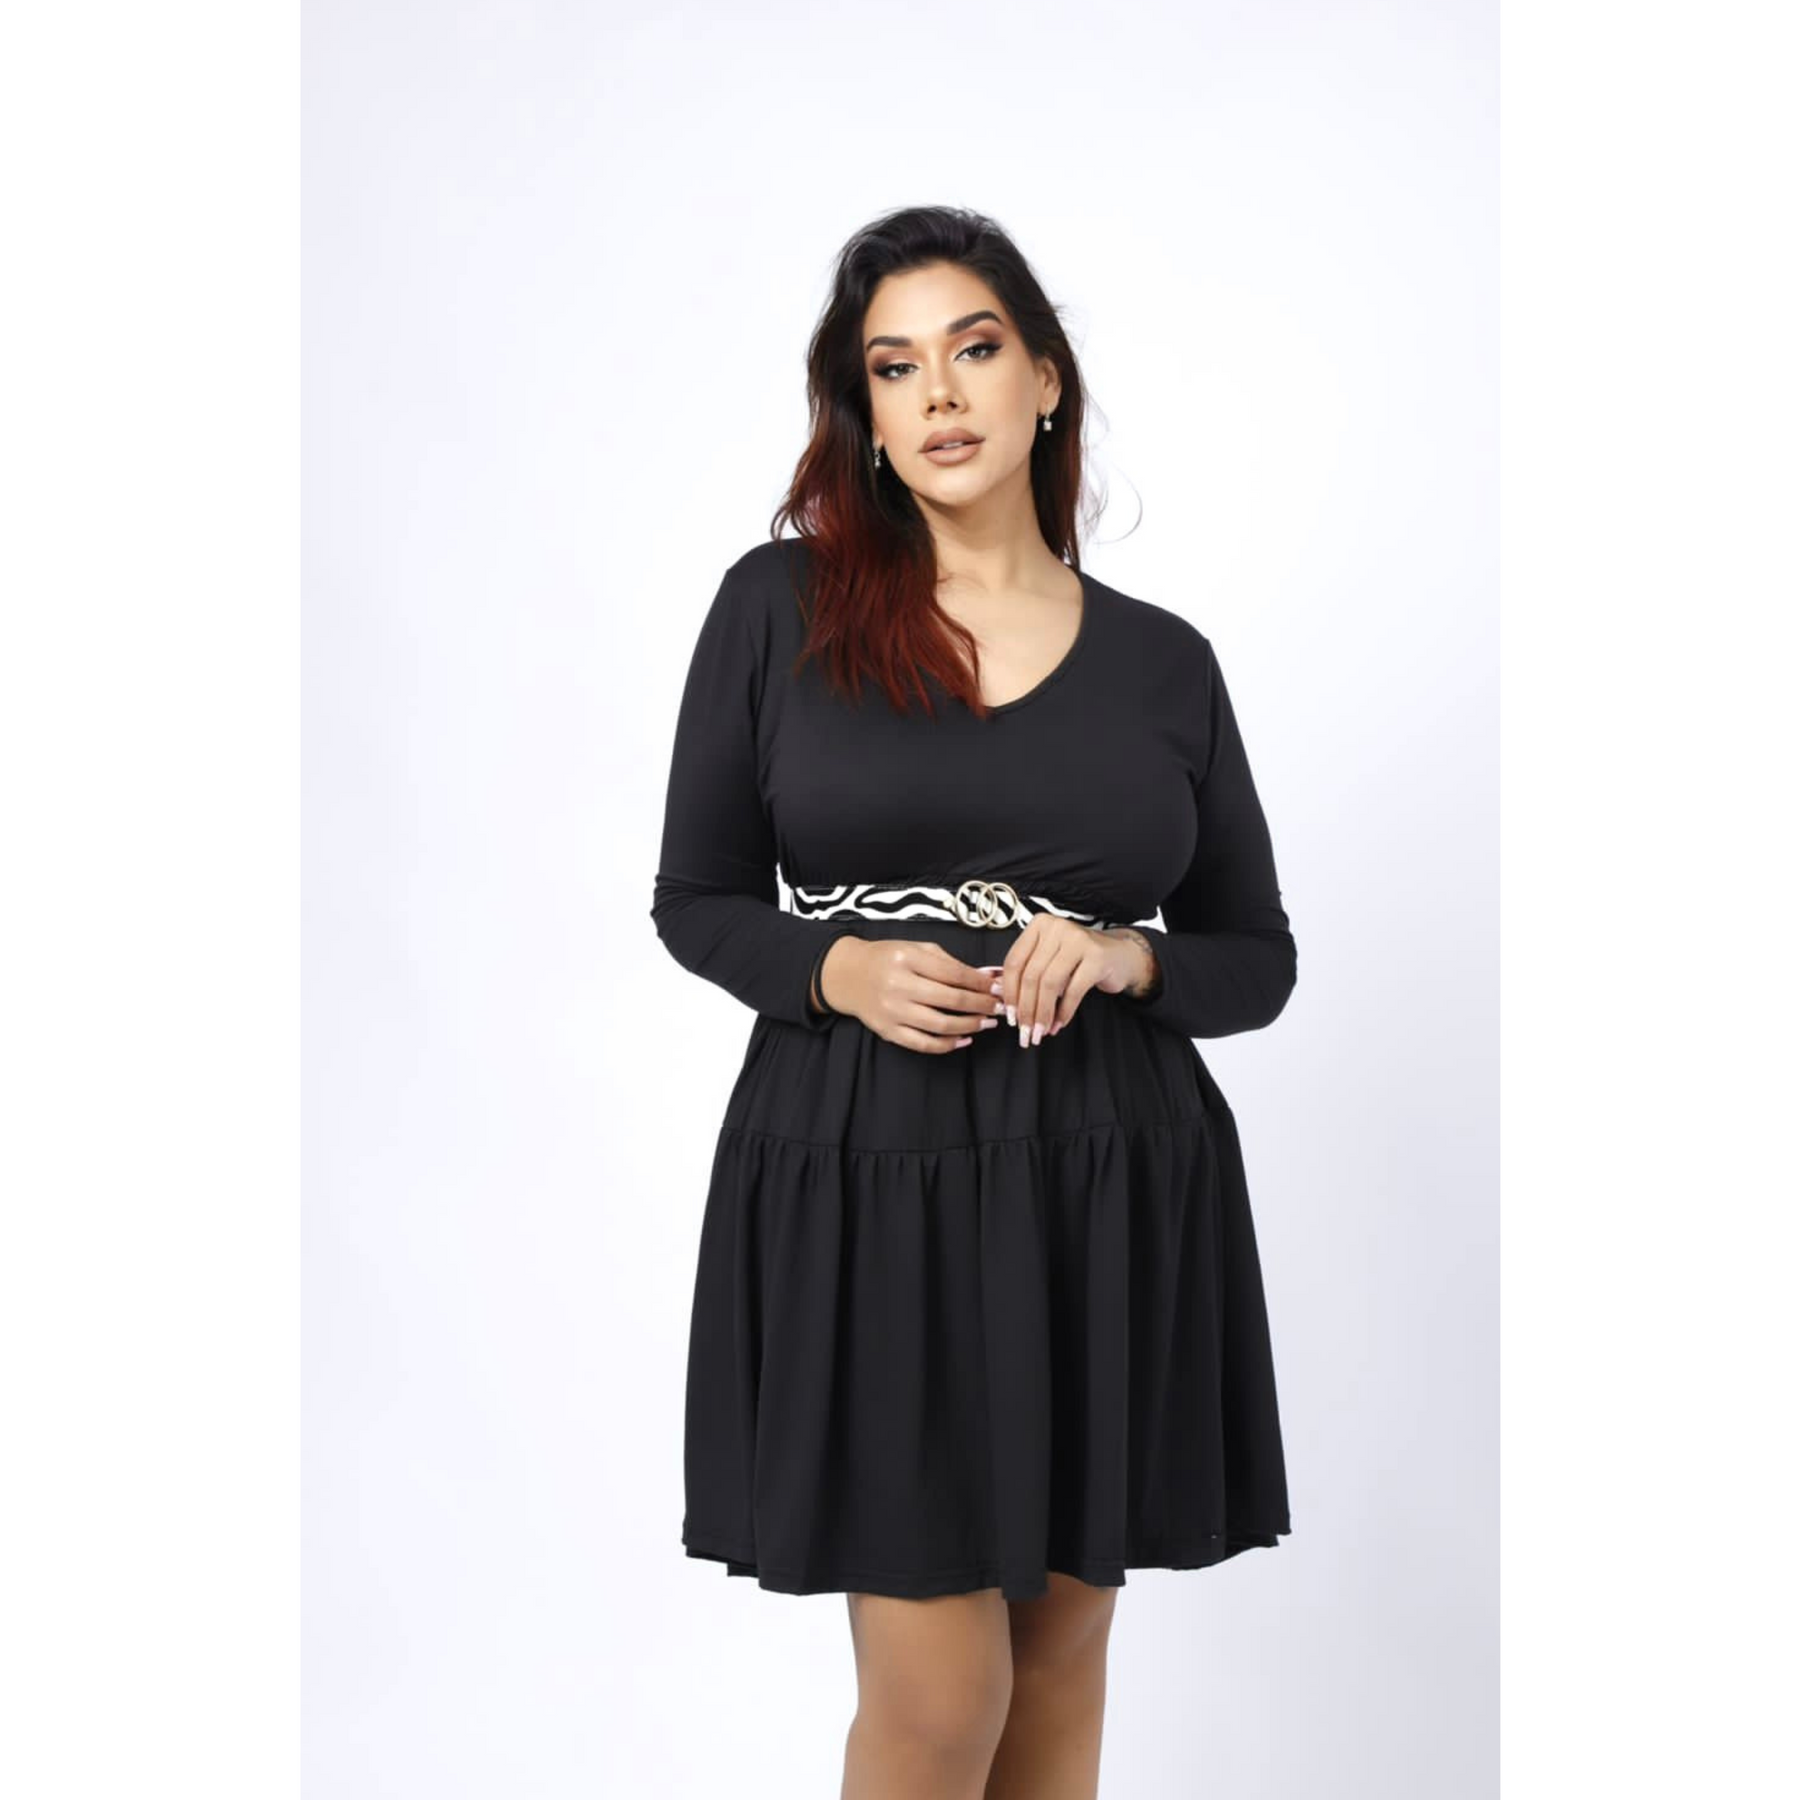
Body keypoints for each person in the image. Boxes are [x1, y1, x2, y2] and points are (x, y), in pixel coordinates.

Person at [649, 204, 1297, 1800]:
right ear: (863, 414)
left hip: (1107, 1173)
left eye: (975, 348)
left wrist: (1134, 956)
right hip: (872, 1174)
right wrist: (834, 969)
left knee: (1059, 1676)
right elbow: (696, 899)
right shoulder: (779, 607)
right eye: (894, 366)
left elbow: (1256, 956)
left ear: (1045, 381)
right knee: (941, 1706)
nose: (938, 392)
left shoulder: (1166, 664)